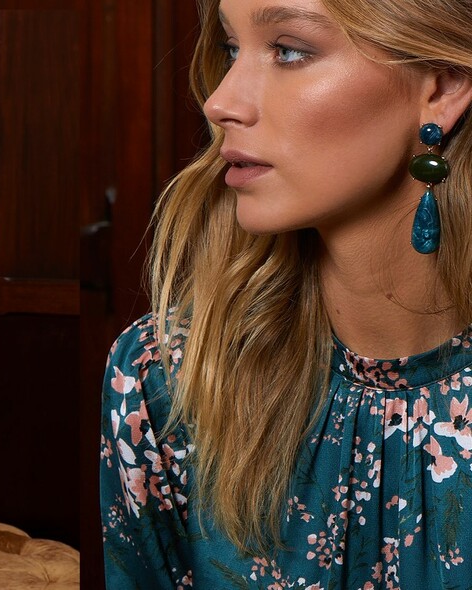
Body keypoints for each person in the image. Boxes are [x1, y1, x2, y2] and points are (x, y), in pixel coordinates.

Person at [100, 0, 472, 587]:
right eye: (229, 48)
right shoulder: (167, 374)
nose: (220, 101)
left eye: (290, 50)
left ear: (443, 86)